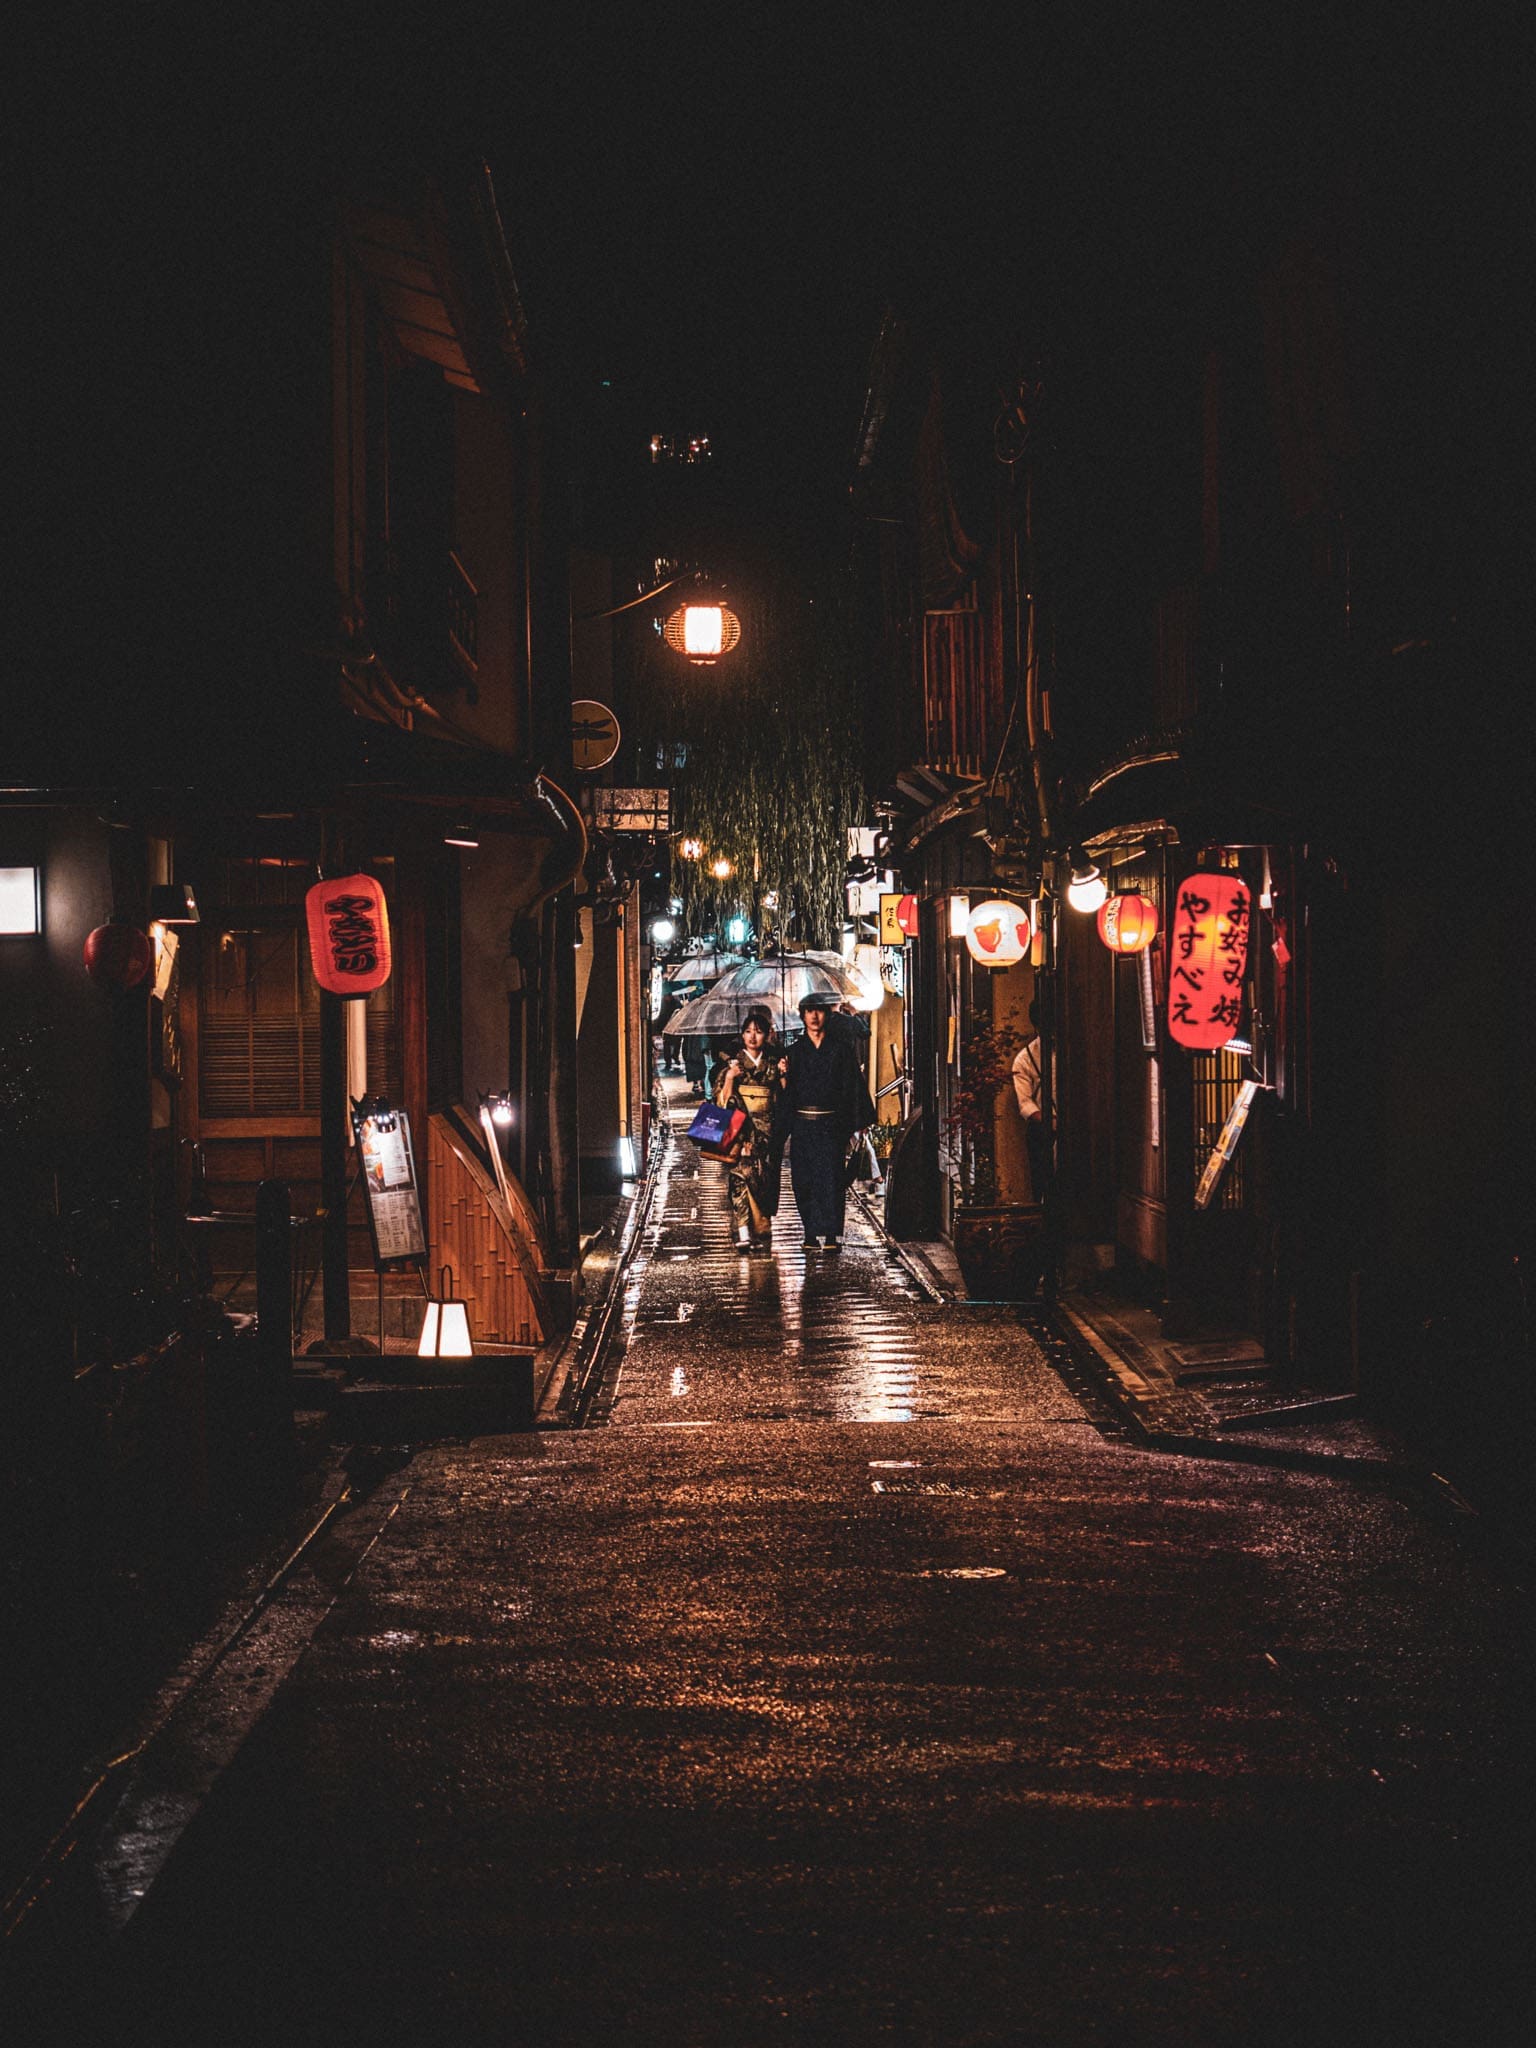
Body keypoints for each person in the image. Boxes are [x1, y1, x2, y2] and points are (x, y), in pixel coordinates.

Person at [780, 991, 875, 1251]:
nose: (814, 1016)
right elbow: (788, 1094)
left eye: (818, 1010)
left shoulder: (840, 1050)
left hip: (831, 1124)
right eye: (808, 1011)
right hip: (803, 1123)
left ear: (826, 1015)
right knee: (804, 1179)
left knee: (831, 1179)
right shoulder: (794, 1053)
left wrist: (859, 1119)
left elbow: (852, 1085)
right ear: (802, 1016)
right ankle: (810, 1232)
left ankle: (832, 1234)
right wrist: (784, 1076)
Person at [708, 1005, 785, 1253]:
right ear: (742, 1035)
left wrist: (783, 1075)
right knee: (740, 1178)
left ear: (767, 1035)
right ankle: (742, 1231)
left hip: (767, 1129)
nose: (753, 1036)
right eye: (748, 1031)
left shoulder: (774, 1063)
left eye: (759, 1031)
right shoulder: (733, 1064)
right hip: (740, 1129)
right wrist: (730, 1077)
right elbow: (722, 1102)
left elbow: (782, 1098)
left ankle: (761, 1227)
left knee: (764, 1179)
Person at [1011, 1003, 1049, 1202]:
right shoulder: (1024, 1059)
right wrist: (1045, 1121)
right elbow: (1025, 1103)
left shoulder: (1071, 1050)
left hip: (1073, 1128)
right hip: (1040, 1129)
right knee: (1042, 1181)